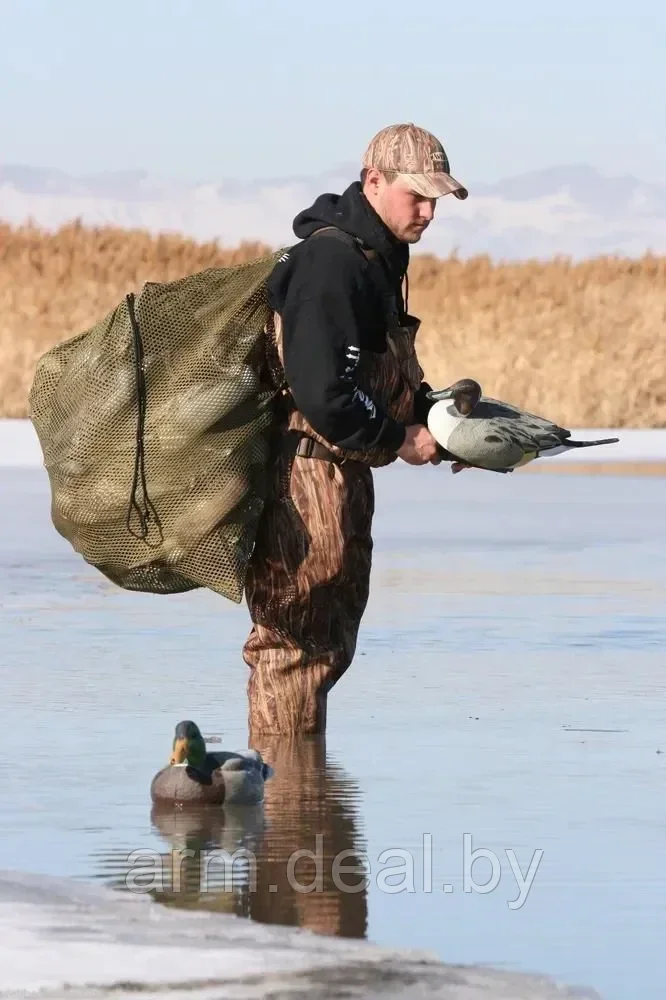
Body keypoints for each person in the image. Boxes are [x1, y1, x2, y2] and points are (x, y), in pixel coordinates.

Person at [242, 123, 468, 739]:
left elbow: (373, 374)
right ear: (373, 182)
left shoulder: (375, 258)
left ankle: (309, 806)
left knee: (325, 643)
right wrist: (402, 440)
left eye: (435, 200)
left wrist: (441, 424)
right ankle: (289, 814)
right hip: (303, 480)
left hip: (342, 476)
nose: (427, 212)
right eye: (415, 196)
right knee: (294, 645)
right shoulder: (331, 262)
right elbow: (326, 394)